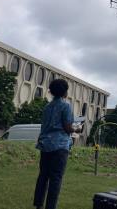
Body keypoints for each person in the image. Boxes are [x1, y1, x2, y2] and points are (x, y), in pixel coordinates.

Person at [33, 79, 77, 209]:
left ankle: (38, 205)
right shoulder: (66, 106)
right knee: (56, 178)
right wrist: (77, 129)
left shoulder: (47, 107)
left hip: (45, 145)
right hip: (59, 146)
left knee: (43, 176)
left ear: (51, 91)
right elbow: (68, 127)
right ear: (65, 91)